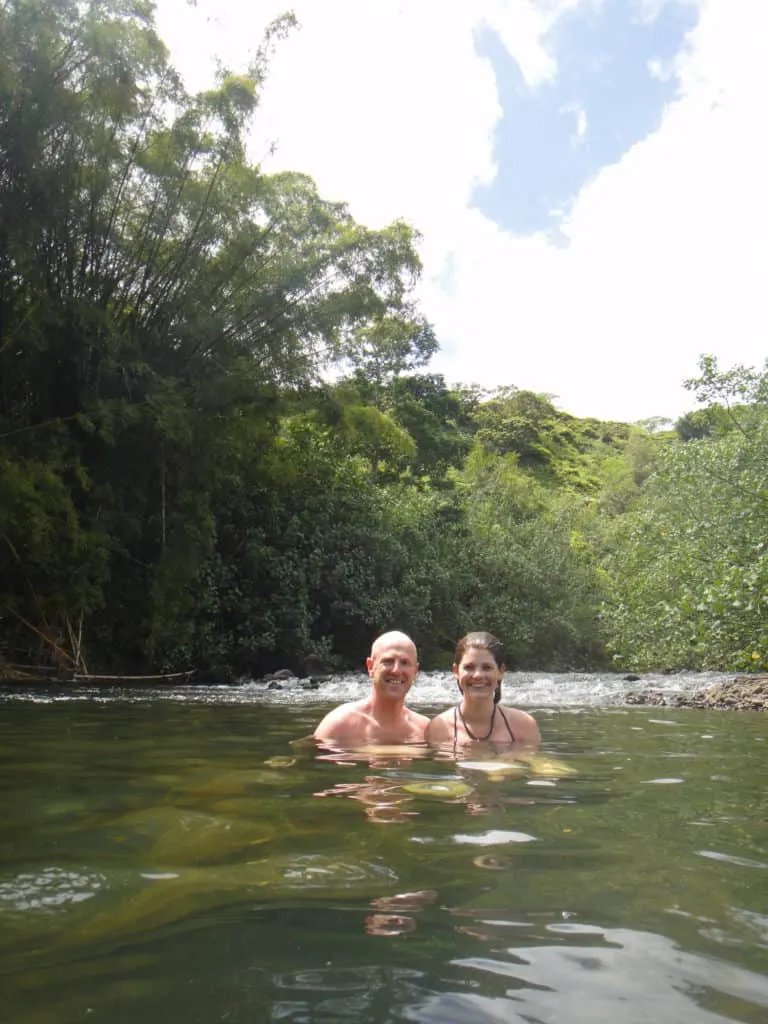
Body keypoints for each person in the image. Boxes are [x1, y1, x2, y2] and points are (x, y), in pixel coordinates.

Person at [426, 631, 540, 752]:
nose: (478, 675)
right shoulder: (439, 728)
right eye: (469, 667)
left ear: (501, 671)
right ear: (455, 671)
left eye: (487, 668)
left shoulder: (523, 725)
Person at [312, 631, 429, 747]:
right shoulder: (340, 724)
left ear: (415, 671)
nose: (396, 670)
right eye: (388, 661)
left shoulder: (424, 730)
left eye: (405, 662)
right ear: (370, 667)